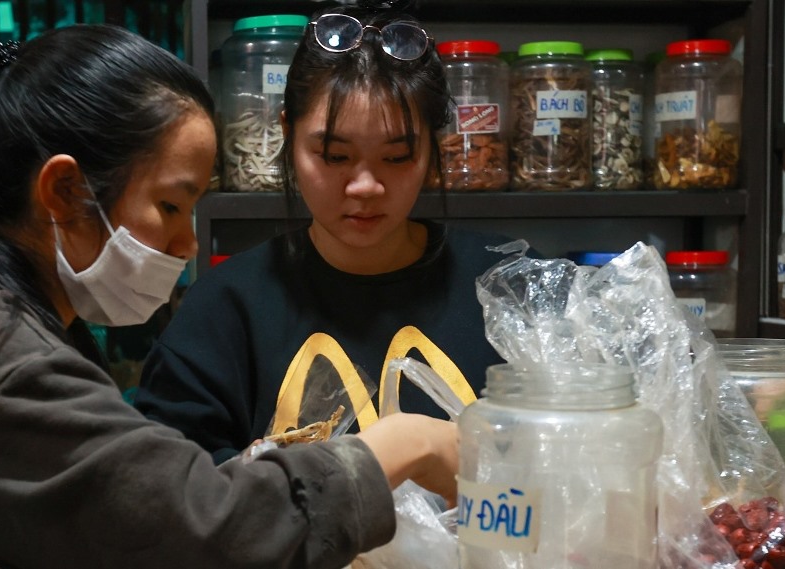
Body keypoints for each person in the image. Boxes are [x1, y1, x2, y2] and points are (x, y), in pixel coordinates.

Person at [0, 24, 458, 569]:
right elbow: (197, 527)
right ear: (64, 192)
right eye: (170, 206)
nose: (186, 246)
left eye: (396, 157)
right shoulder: (7, 354)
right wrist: (405, 445)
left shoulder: (42, 330)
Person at [134, 4, 520, 464]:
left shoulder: (508, 288)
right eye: (334, 156)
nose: (365, 186)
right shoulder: (224, 310)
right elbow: (167, 488)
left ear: (433, 148)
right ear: (287, 136)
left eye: (397, 157)